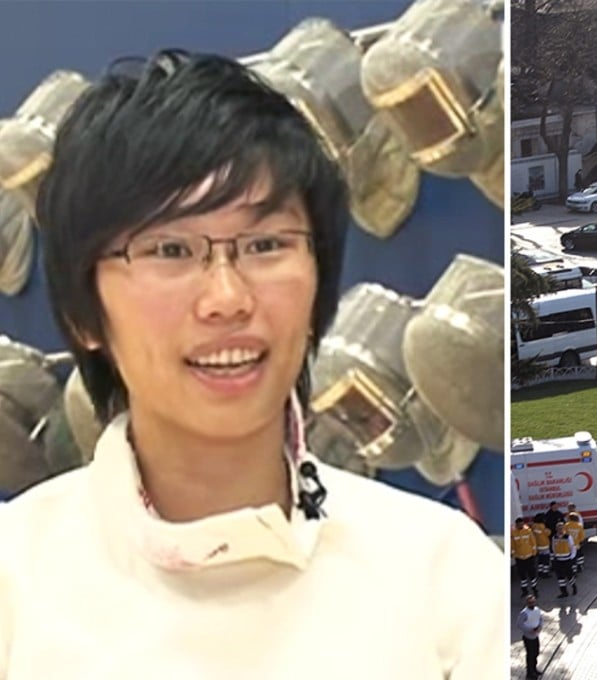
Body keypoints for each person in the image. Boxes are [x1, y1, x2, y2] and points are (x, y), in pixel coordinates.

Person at [0, 50, 503, 678]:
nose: (228, 298)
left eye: (266, 245)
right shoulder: (15, 583)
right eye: (170, 250)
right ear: (83, 314)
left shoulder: (445, 577)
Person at [512, 516, 540, 598]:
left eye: (521, 524)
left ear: (523, 524)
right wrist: (513, 554)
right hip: (519, 558)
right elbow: (512, 544)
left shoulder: (528, 531)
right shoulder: (513, 533)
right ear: (516, 525)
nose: (520, 526)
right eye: (518, 524)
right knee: (522, 576)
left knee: (532, 575)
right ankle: (524, 591)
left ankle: (535, 590)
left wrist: (534, 553)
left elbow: (533, 542)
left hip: (529, 556)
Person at [517, 594, 543, 679]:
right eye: (530, 602)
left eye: (533, 602)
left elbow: (540, 619)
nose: (532, 604)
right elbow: (520, 624)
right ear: (527, 603)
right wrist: (530, 630)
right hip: (528, 637)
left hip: (535, 636)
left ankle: (534, 669)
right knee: (530, 655)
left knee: (536, 653)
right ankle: (529, 673)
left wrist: (540, 627)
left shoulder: (537, 610)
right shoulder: (524, 613)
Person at [551, 521, 578, 598]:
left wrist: (572, 557)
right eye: (558, 528)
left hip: (567, 560)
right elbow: (553, 548)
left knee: (569, 576)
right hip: (558, 561)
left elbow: (572, 548)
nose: (560, 530)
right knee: (560, 578)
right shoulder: (554, 537)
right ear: (556, 529)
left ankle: (573, 586)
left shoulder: (568, 537)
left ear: (564, 529)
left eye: (561, 528)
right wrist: (554, 557)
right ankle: (564, 592)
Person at [532, 514, 552, 578]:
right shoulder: (542, 526)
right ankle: (545, 573)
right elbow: (548, 533)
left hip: (538, 545)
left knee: (540, 560)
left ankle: (540, 572)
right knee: (546, 560)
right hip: (544, 545)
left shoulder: (533, 526)